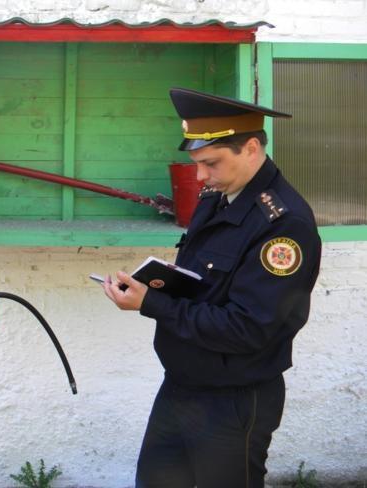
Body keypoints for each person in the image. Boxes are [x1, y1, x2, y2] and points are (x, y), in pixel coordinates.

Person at [102, 88, 322, 488]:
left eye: (211, 163)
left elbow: (247, 327)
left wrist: (152, 303)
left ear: (251, 148)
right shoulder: (217, 196)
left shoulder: (283, 225)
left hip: (232, 401)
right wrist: (158, 285)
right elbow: (204, 285)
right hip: (180, 386)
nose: (201, 176)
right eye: (197, 163)